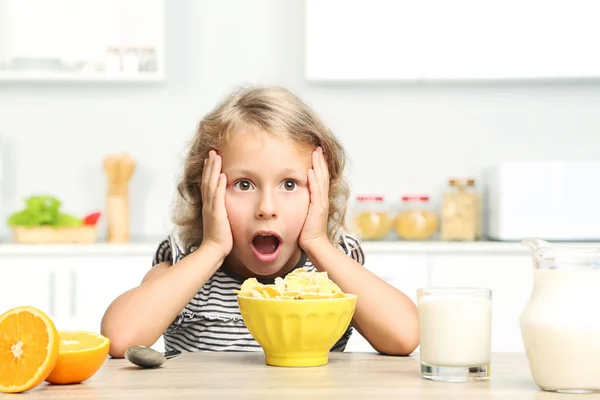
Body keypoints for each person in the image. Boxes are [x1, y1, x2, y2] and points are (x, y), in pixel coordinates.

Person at [101, 86, 418, 358]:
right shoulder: (186, 264)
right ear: (206, 190)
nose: (266, 208)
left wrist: (319, 245)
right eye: (243, 184)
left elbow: (405, 336)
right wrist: (212, 248)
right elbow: (120, 338)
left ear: (323, 191)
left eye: (290, 185)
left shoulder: (335, 268)